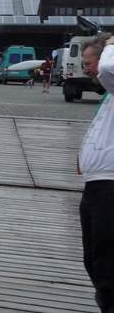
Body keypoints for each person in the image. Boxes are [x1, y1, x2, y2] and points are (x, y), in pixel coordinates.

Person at [78, 33, 114, 312]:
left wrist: (112, 45)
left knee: (106, 261)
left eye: (88, 63)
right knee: (94, 258)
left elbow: (107, 69)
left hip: (109, 189)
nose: (86, 69)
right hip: (96, 187)